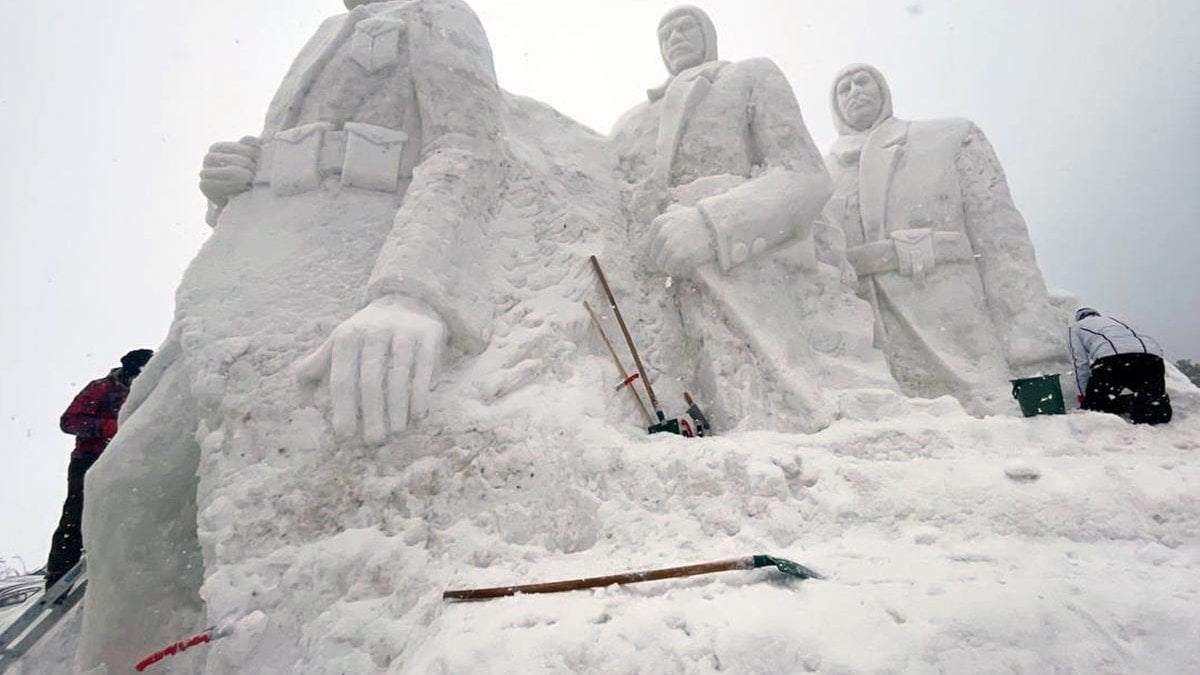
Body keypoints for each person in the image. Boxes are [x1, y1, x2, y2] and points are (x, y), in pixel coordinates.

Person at [611, 5, 893, 432]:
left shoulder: (749, 76)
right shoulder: (629, 123)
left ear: (709, 35)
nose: (676, 39)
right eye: (666, 34)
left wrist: (712, 225)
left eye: (686, 27)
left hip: (745, 272)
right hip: (652, 294)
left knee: (786, 424)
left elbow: (805, 176)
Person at [821, 64, 1066, 410]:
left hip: (948, 311)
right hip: (870, 328)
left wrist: (1031, 342)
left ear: (884, 90)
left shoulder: (947, 137)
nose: (855, 91)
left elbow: (1002, 239)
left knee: (1004, 419)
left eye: (863, 82)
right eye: (843, 89)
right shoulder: (822, 172)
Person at [44, 349, 152, 588]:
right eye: (135, 378)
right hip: (89, 459)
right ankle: (57, 581)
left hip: (124, 460)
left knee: (122, 511)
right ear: (128, 373)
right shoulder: (101, 388)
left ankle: (112, 568)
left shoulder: (148, 392)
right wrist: (109, 427)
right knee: (76, 514)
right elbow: (69, 421)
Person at [1069, 307, 1172, 424]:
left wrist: (1083, 395)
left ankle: (1130, 402)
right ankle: (1151, 402)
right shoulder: (1118, 322)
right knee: (1154, 409)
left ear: (1079, 319)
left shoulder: (1076, 327)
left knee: (1096, 408)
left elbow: (1080, 362)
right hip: (1152, 359)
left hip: (1114, 361)